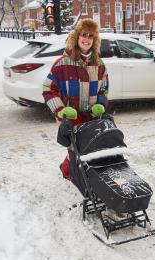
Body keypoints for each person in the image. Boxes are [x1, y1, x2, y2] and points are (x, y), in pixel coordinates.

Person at [42, 18, 109, 180]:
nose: (86, 39)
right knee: (74, 149)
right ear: (77, 37)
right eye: (83, 35)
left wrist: (100, 105)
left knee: (90, 147)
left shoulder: (100, 65)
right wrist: (61, 110)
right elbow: (48, 89)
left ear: (94, 40)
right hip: (72, 117)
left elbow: (104, 89)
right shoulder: (62, 64)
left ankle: (80, 172)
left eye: (90, 36)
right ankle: (69, 172)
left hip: (92, 116)